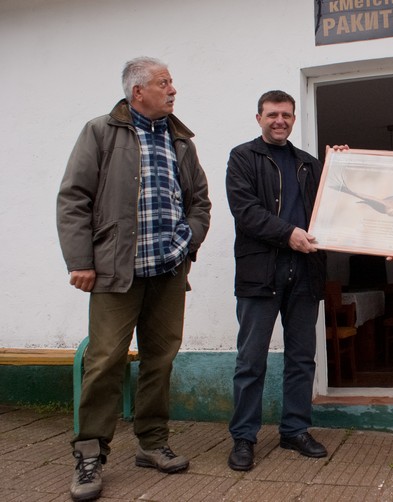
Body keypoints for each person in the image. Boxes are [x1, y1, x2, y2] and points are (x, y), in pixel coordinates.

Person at [56, 57, 211, 501]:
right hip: (114, 272)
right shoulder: (101, 132)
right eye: (164, 83)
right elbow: (73, 198)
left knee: (160, 359)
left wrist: (188, 239)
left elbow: (199, 201)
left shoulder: (181, 141)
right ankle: (89, 454)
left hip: (168, 270)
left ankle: (152, 443)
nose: (173, 89)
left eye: (172, 82)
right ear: (137, 91)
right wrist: (80, 260)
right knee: (105, 360)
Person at [225, 90, 329, 471]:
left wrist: (341, 165)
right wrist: (288, 235)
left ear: (294, 118)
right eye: (272, 114)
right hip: (260, 272)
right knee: (251, 360)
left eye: (286, 114)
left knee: (301, 358)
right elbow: (246, 212)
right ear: (259, 118)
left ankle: (295, 430)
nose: (279, 120)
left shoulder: (310, 164)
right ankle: (244, 437)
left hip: (306, 272)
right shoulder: (242, 157)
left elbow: (334, 205)